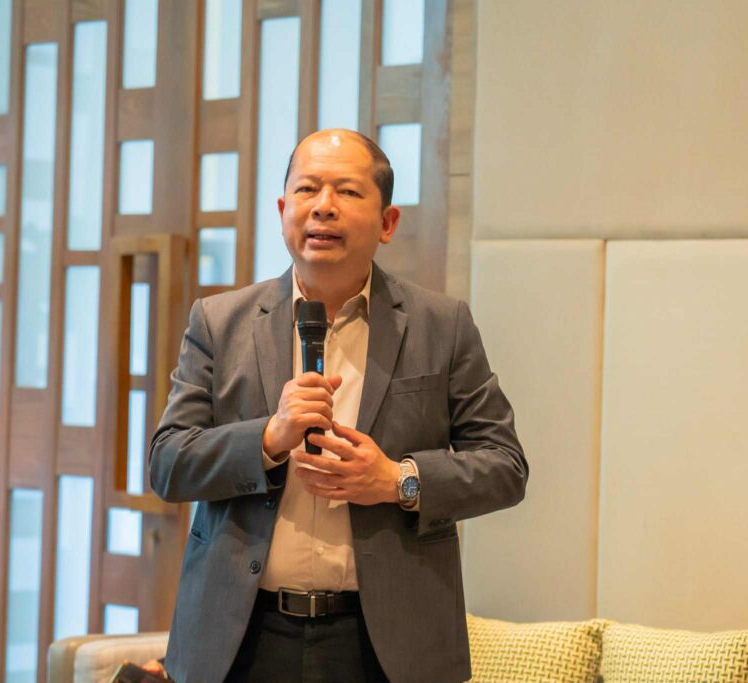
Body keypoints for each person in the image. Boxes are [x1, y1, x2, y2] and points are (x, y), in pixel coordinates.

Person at [143, 129, 527, 683]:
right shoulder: (220, 323)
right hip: (242, 638)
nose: (323, 206)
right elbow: (168, 463)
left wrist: (398, 480)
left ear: (388, 222)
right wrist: (268, 439)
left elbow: (505, 467)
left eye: (347, 191)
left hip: (385, 643)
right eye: (307, 190)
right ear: (283, 211)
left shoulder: (441, 326)